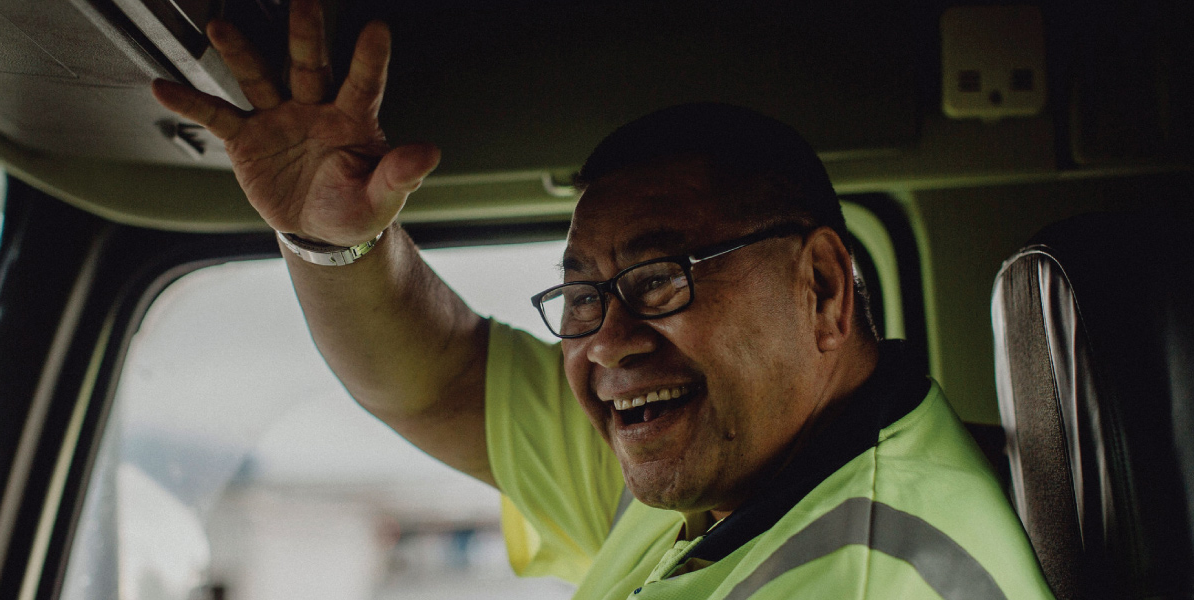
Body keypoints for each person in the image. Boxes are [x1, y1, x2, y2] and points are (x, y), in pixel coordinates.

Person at [152, 3, 1054, 597]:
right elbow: (441, 382)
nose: (611, 342)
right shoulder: (738, 464)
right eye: (581, 297)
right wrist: (330, 238)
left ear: (819, 286)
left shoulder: (859, 578)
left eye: (661, 279)